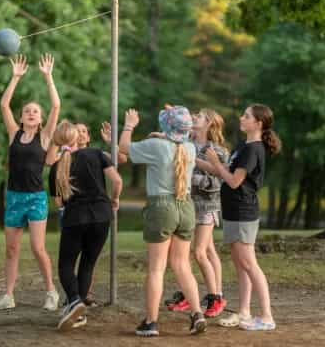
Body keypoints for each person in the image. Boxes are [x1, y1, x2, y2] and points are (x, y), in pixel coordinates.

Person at [119, 105, 207, 337]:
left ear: (165, 128)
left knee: (156, 269)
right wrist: (164, 133)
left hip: (162, 206)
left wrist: (129, 125)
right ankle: (197, 313)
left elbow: (123, 148)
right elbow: (174, 141)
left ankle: (151, 322)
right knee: (182, 265)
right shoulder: (189, 147)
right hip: (186, 206)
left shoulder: (156, 146)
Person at [202, 103, 281, 331]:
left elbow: (235, 181)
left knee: (249, 264)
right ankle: (244, 312)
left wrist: (216, 163)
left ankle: (267, 316)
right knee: (240, 264)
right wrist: (190, 159)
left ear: (258, 123)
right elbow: (222, 171)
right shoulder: (242, 146)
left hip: (243, 212)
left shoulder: (253, 149)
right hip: (233, 212)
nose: (241, 117)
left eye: (246, 116)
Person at [0, 53, 61, 311]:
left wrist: (48, 77)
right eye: (27, 111)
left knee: (38, 247)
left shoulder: (44, 137)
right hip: (14, 197)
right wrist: (15, 78)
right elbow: (3, 105)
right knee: (11, 249)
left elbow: (56, 107)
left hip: (35, 198)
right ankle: (8, 296)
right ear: (21, 118)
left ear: (40, 119)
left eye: (35, 111)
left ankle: (51, 292)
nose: (31, 113)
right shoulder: (14, 133)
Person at [48, 120, 123, 330]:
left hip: (75, 218)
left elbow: (59, 202)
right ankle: (78, 312)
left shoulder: (56, 167)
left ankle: (74, 301)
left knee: (65, 265)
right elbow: (117, 182)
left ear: (57, 141)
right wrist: (114, 200)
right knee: (88, 264)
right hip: (101, 215)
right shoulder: (97, 154)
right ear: (77, 138)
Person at [166, 109, 228, 318]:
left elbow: (218, 181)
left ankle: (215, 297)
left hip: (206, 208)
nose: (194, 118)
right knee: (188, 254)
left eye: (199, 116)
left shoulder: (217, 151)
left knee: (200, 253)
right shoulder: (188, 143)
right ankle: (187, 296)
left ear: (209, 124)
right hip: (187, 206)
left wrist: (191, 177)